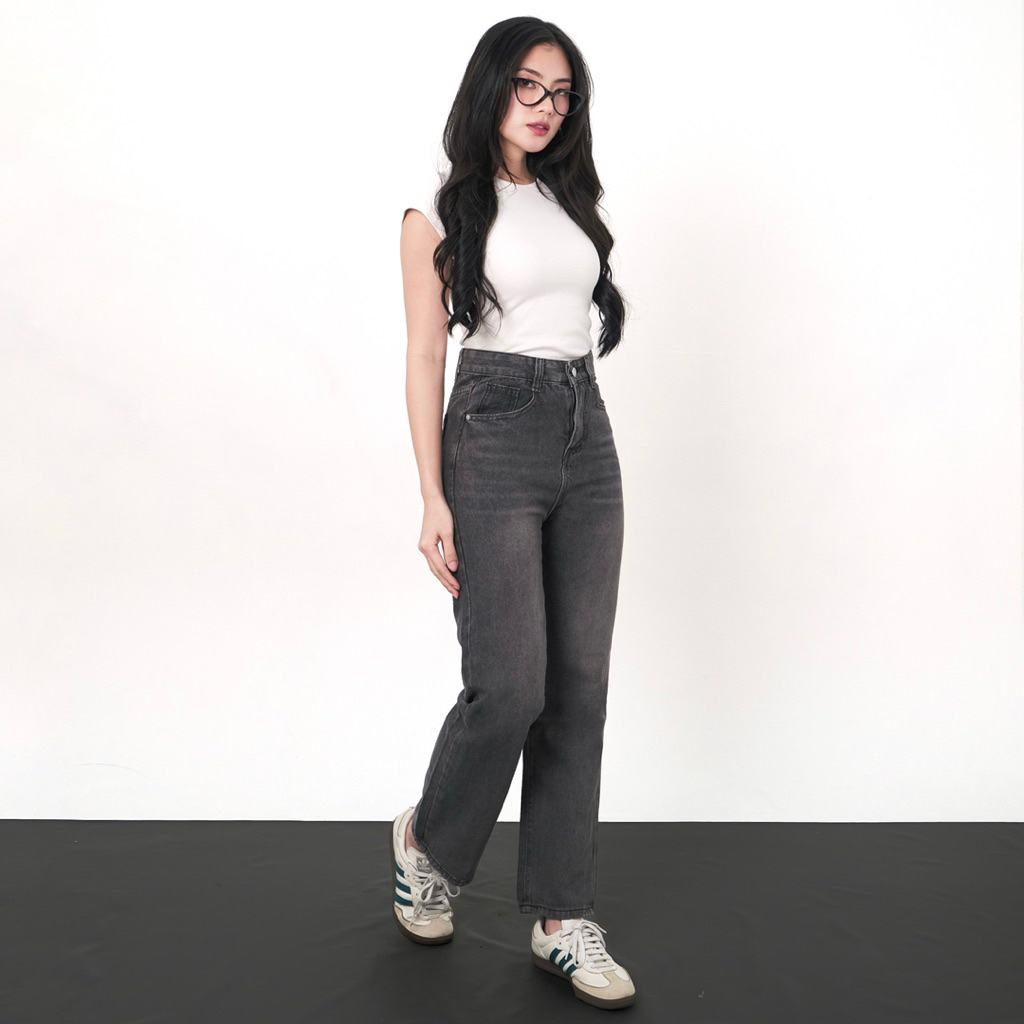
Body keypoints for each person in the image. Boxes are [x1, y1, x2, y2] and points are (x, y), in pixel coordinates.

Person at [392, 16, 635, 1010]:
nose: (546, 107)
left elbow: (569, 318)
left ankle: (561, 916)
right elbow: (424, 355)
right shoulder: (435, 211)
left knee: (578, 686)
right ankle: (427, 842)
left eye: (562, 92)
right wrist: (431, 496)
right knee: (509, 684)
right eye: (528, 85)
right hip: (491, 432)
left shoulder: (569, 198)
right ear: (492, 84)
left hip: (586, 430)